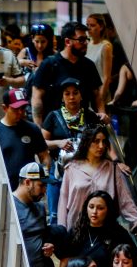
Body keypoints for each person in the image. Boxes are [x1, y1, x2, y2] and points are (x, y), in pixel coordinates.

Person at [57, 125, 137, 233]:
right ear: (86, 142)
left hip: (104, 230)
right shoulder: (71, 169)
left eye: (104, 141)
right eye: (96, 141)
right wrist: (61, 230)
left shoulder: (112, 169)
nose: (101, 146)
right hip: (77, 230)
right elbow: (63, 203)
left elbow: (125, 200)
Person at [12, 162, 67, 267]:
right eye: (41, 185)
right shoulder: (10, 207)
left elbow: (43, 236)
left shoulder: (40, 208)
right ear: (27, 182)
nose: (44, 191)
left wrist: (50, 246)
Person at [41, 78, 99, 222]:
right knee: (55, 214)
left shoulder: (90, 116)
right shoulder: (53, 116)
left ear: (81, 95)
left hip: (85, 171)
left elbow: (101, 140)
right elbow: (42, 142)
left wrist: (116, 161)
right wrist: (58, 142)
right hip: (59, 171)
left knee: (83, 213)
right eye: (67, 94)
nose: (71, 97)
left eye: (75, 93)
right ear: (62, 97)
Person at [30, 20, 103, 125]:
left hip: (82, 127)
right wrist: (39, 129)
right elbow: (37, 98)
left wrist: (102, 116)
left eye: (86, 39)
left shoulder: (88, 65)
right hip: (54, 127)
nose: (86, 43)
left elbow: (97, 96)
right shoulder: (49, 64)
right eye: (81, 40)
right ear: (68, 42)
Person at [85, 14, 113, 106]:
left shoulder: (106, 46)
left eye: (92, 25)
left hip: (100, 90)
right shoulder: (88, 44)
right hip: (88, 89)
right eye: (87, 25)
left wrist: (100, 97)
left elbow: (107, 77)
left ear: (100, 27)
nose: (89, 28)